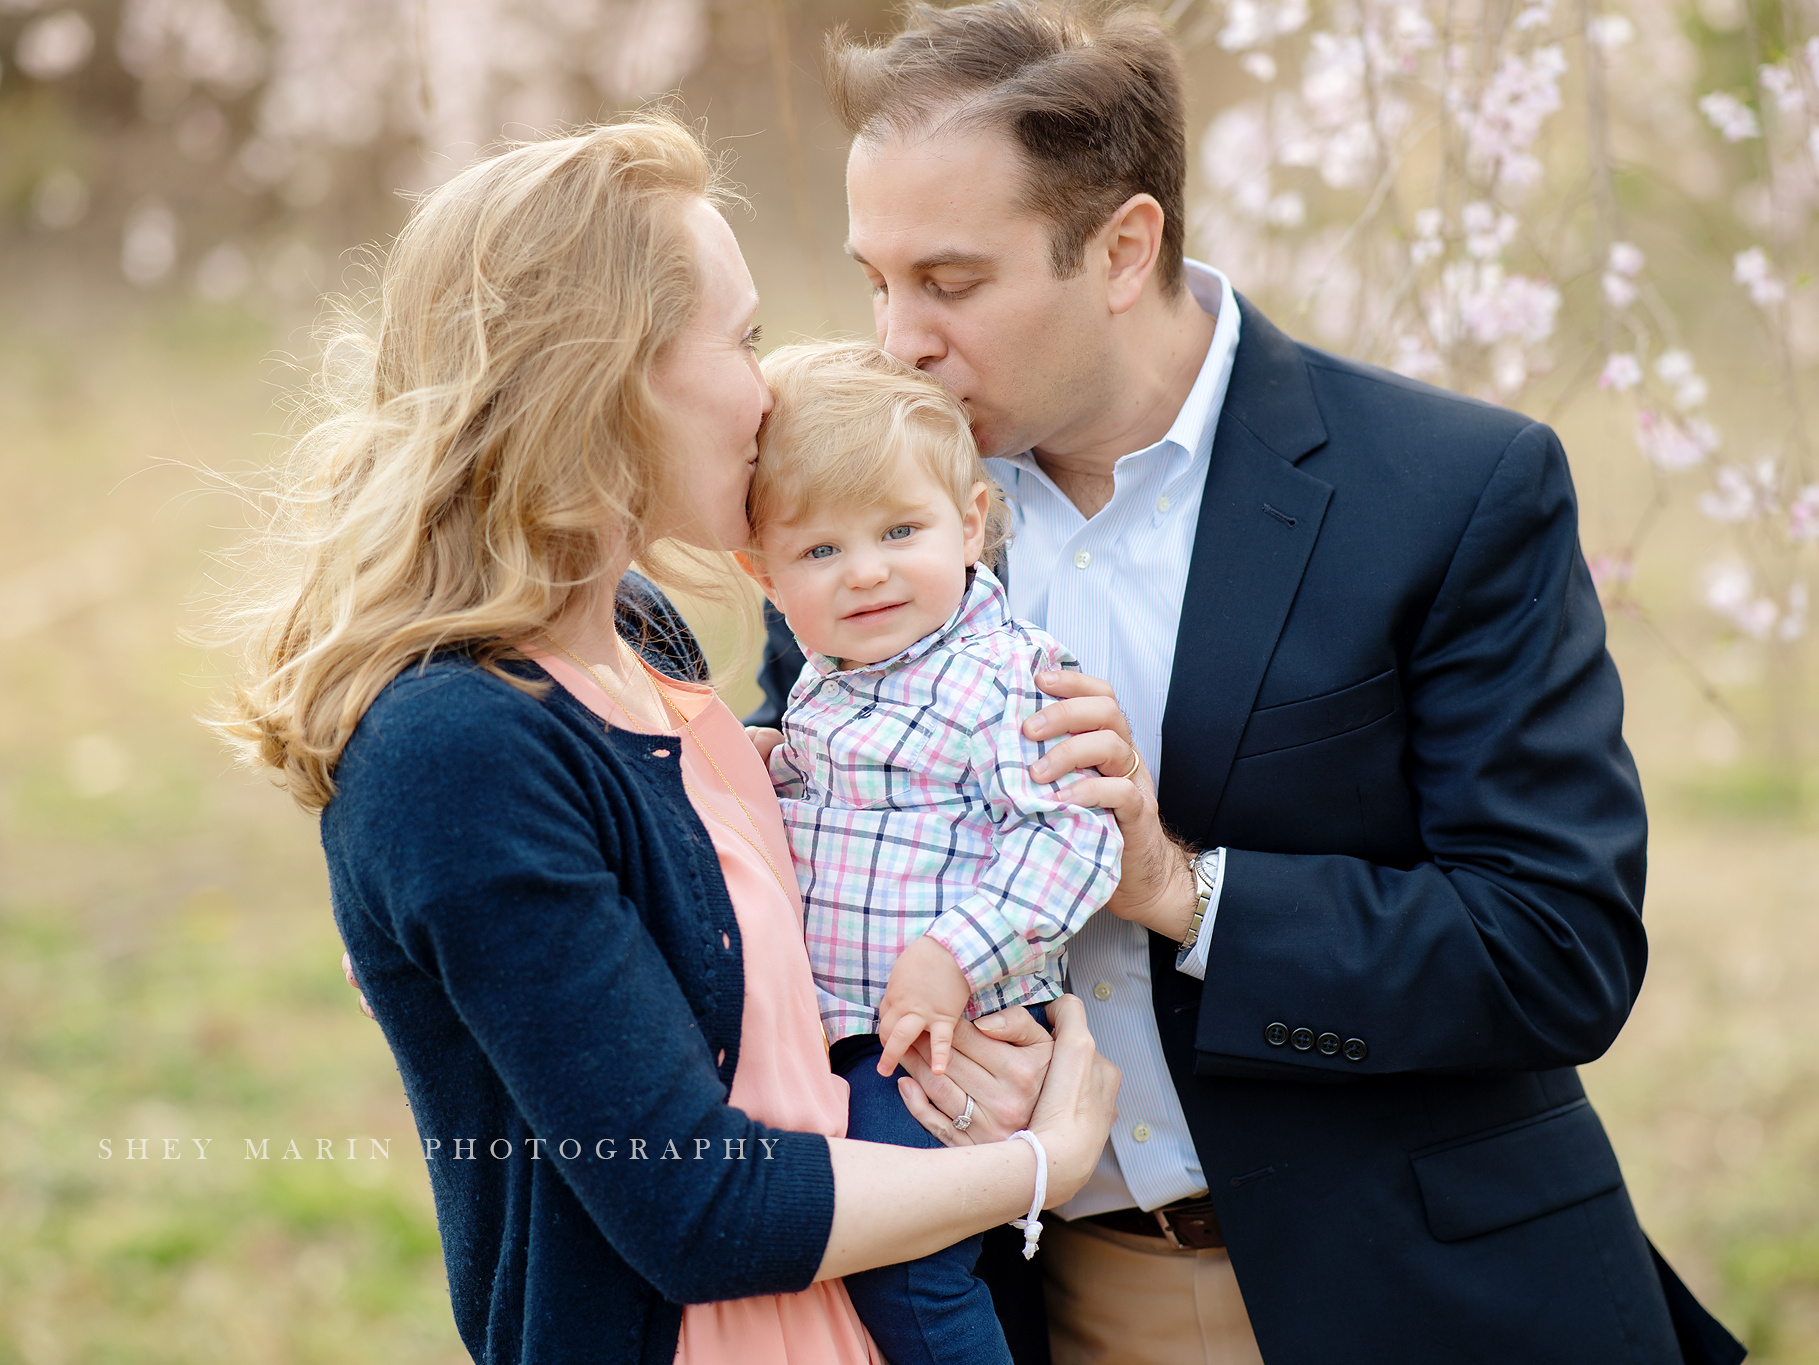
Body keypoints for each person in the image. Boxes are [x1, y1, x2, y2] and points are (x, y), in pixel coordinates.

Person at [744, 3, 1750, 1363]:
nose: (898, 339)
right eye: (877, 280)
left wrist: (1179, 886)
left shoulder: (1452, 490)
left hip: (1432, 1304)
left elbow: (1556, 950)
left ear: (1121, 247)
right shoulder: (863, 530)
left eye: (950, 281)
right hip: (1049, 1302)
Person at [220, 115, 1127, 1365]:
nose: (771, 389)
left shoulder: (637, 635)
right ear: (604, 378)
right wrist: (1043, 1161)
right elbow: (697, 1209)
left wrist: (956, 1034)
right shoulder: (456, 747)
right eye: (743, 340)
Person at [741, 341, 1124, 1365]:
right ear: (764, 575)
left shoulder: (1004, 677)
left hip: (948, 1034)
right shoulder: (831, 678)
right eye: (819, 551)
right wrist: (756, 773)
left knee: (907, 1272)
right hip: (850, 1031)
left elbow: (1073, 837)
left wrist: (956, 953)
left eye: (899, 531)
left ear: (969, 523)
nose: (864, 570)